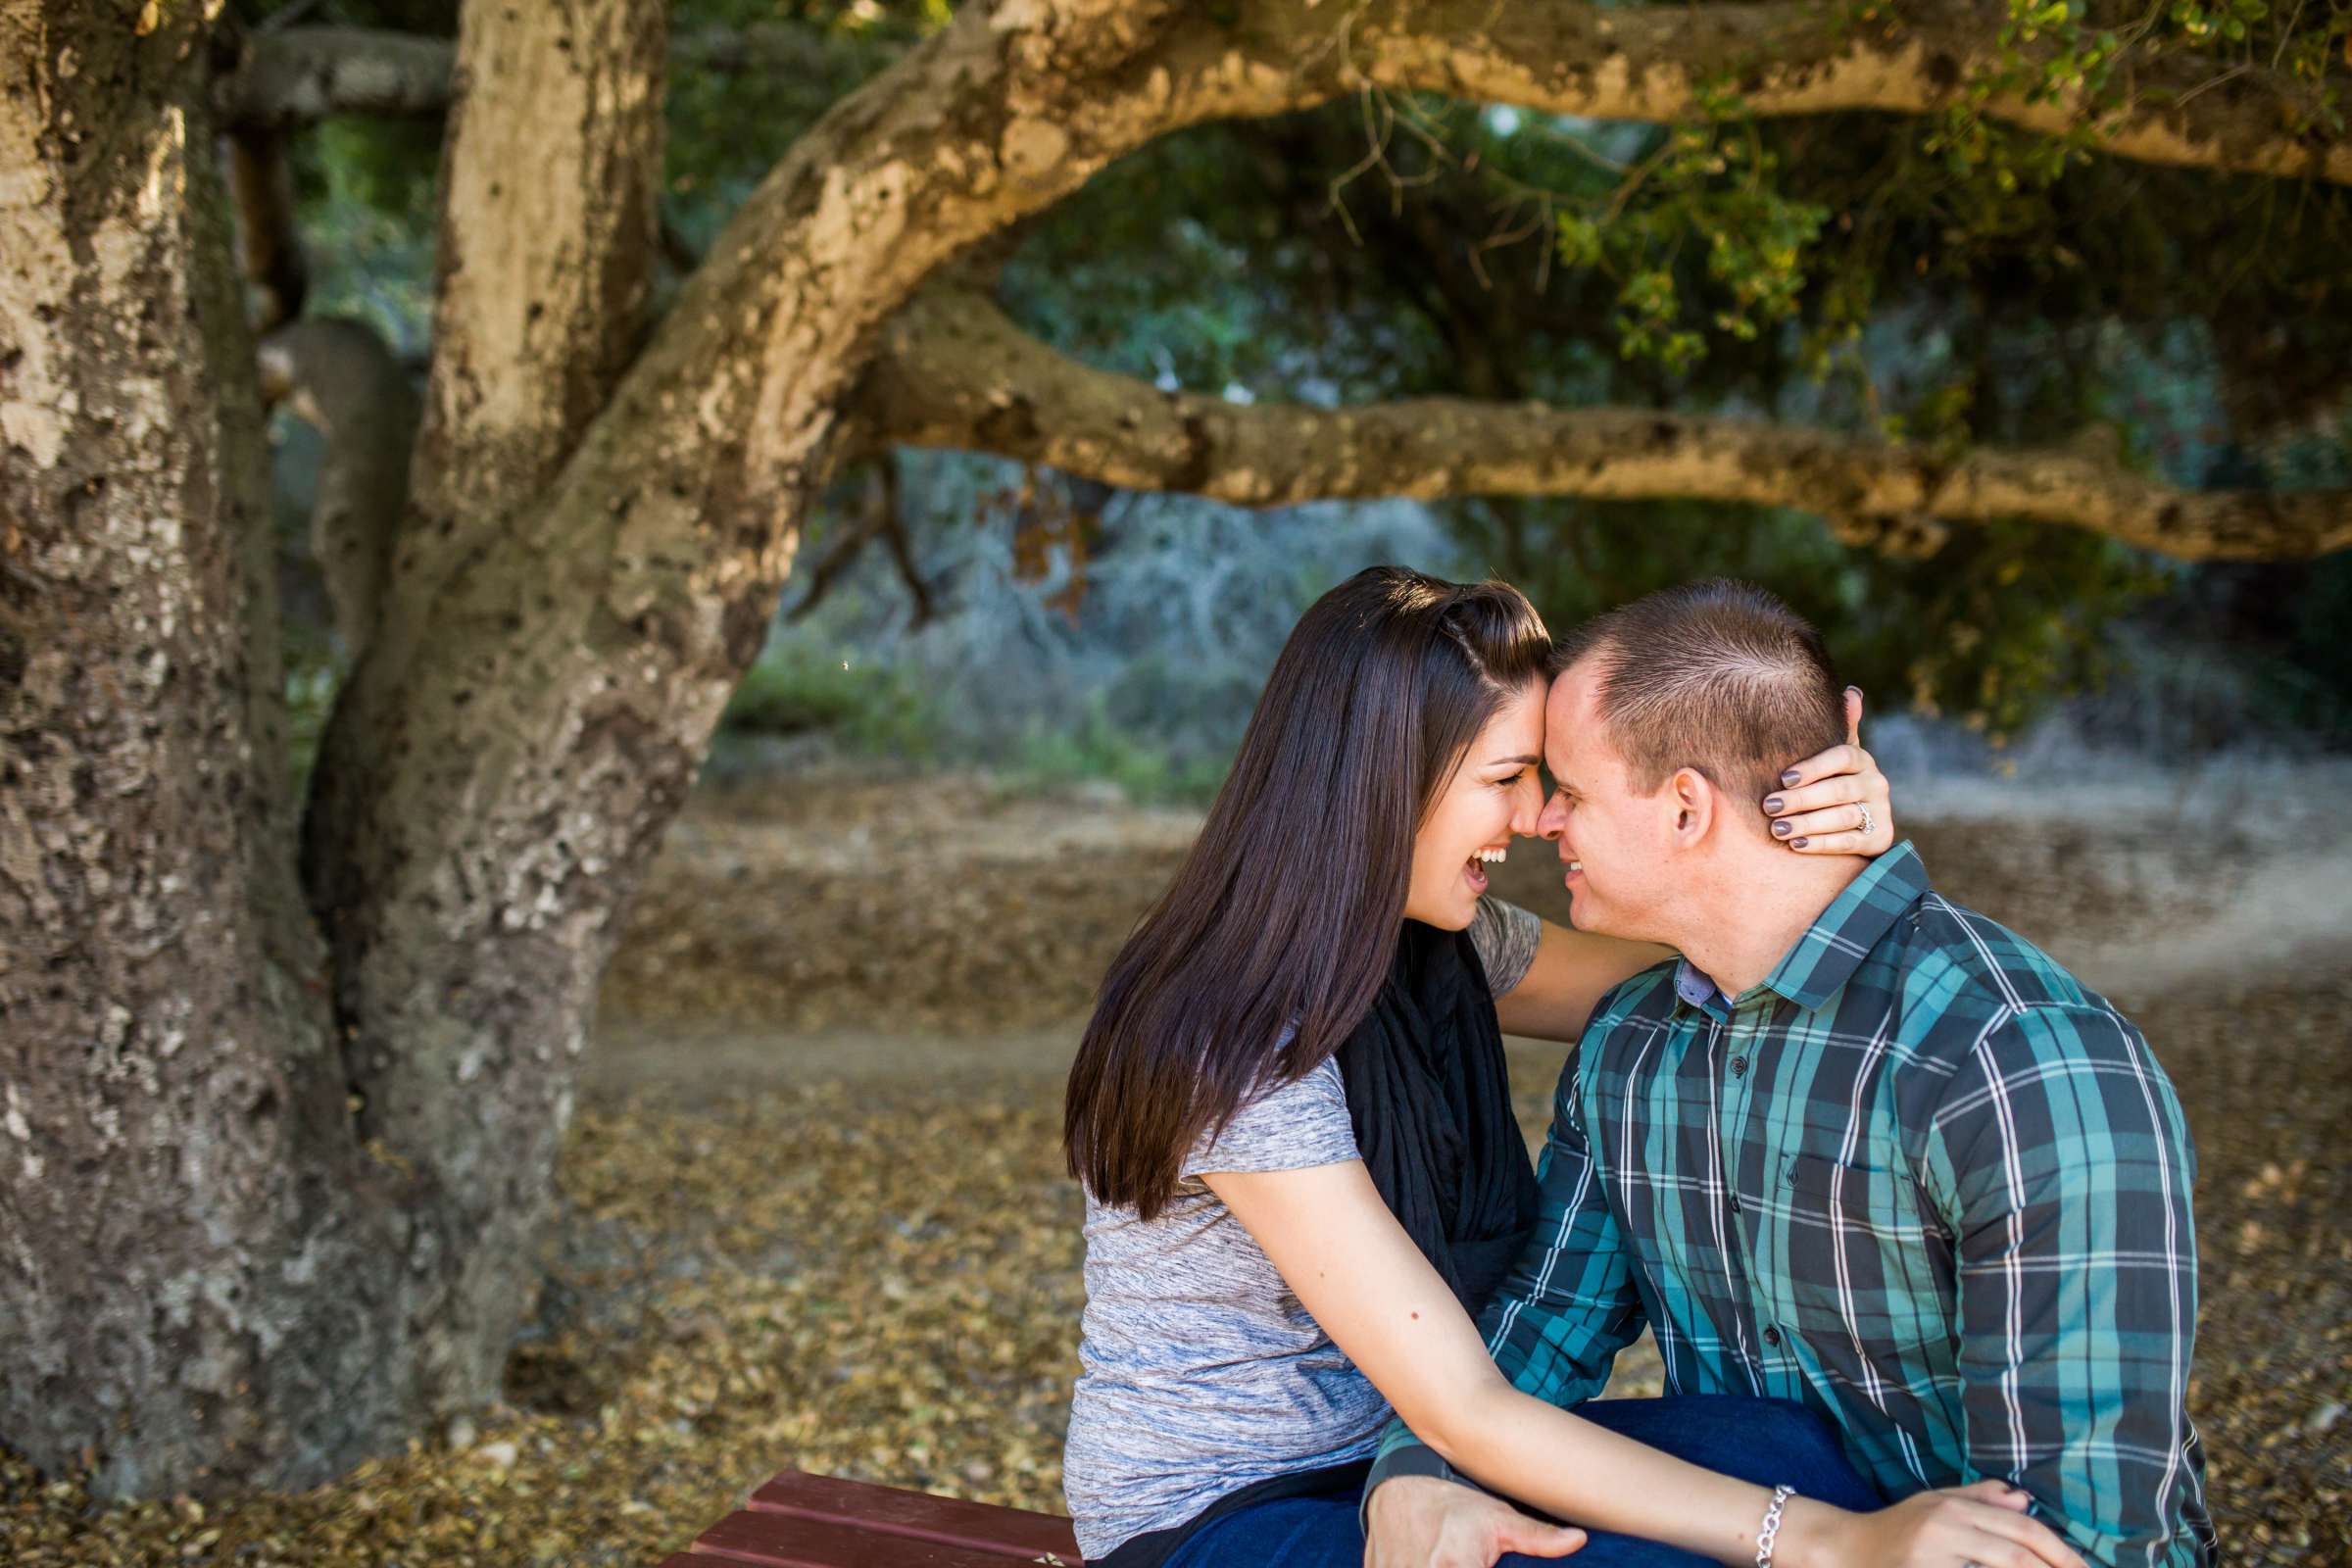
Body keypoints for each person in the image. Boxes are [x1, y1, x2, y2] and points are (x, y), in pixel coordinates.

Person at [1061, 568, 2083, 1568]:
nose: (1534, 817)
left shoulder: (1442, 945)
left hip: (1422, 1450)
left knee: (1797, 1452)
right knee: (1759, 1537)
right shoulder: (1237, 1037)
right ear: (1383, 785)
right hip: (1230, 1514)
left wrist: (1807, 844)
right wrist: (1838, 1545)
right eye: (1505, 780)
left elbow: (1729, 953)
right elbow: (1469, 1406)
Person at [1362, 580, 2213, 1568]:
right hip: (1764, 1534)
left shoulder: (2017, 1065)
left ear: (1687, 808)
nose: (1545, 819)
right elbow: (1546, 1325)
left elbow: (2089, 1535)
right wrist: (1418, 1466)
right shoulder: (1634, 1048)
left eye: (1571, 791)